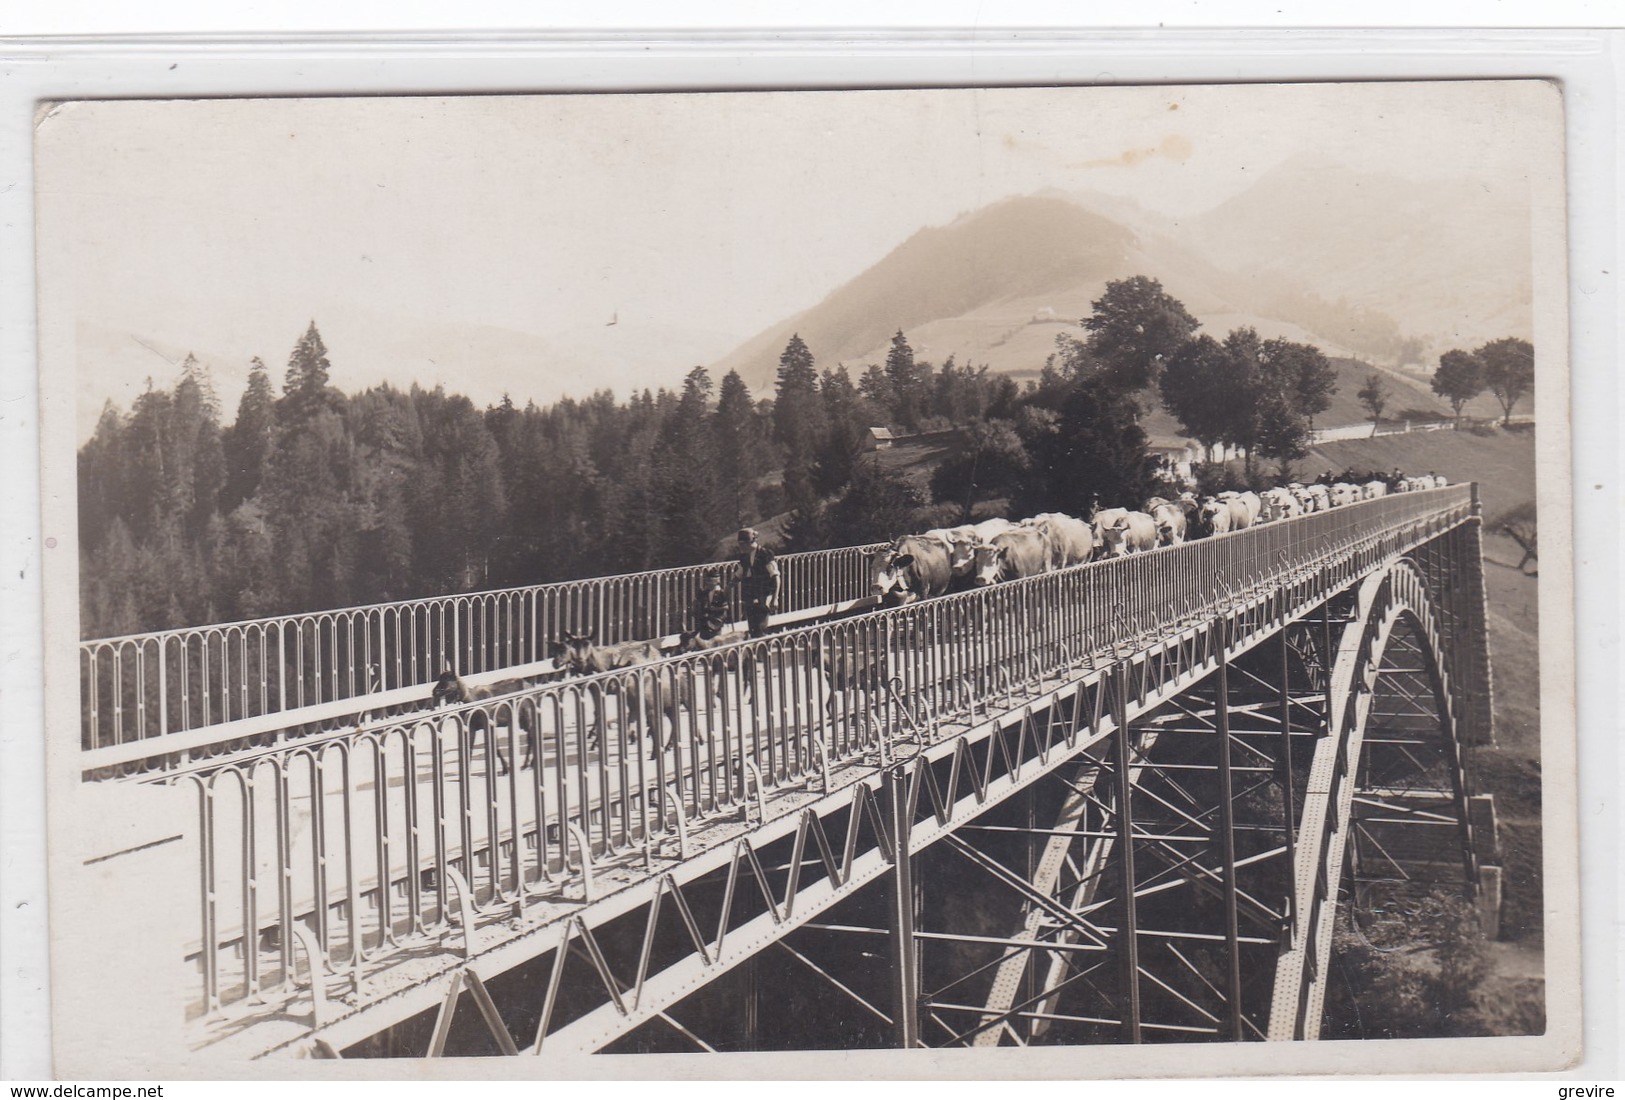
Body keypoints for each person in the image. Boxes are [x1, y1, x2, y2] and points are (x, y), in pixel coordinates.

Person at [734, 528, 781, 638]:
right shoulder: (744, 556)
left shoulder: (765, 554)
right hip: (750, 596)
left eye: (741, 545)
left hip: (764, 595)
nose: (740, 548)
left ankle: (762, 651)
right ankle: (756, 652)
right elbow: (739, 574)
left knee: (761, 627)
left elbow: (776, 577)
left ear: (748, 543)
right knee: (752, 628)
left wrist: (775, 598)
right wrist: (729, 586)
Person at [688, 574, 732, 640]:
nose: (709, 584)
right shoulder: (704, 592)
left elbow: (726, 607)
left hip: (716, 620)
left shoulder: (721, 593)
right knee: (703, 638)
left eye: (711, 582)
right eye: (708, 582)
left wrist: (715, 609)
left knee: (715, 640)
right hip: (705, 620)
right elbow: (697, 601)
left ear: (716, 582)